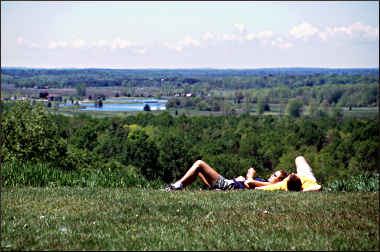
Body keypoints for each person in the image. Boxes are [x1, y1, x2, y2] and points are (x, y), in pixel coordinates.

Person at [161, 160, 288, 191]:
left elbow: (250, 183)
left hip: (228, 186)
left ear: (279, 180)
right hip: (230, 184)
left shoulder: (271, 185)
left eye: (275, 175)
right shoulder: (268, 184)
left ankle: (175, 187)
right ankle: (178, 188)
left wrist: (250, 175)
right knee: (198, 172)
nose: (271, 175)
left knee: (199, 164)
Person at [255, 156, 322, 192]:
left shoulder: (283, 184)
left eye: (291, 175)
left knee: (299, 158)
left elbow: (261, 188)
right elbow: (318, 187)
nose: (292, 173)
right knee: (299, 158)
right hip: (306, 175)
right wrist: (303, 191)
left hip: (304, 177)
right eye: (294, 174)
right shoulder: (308, 185)